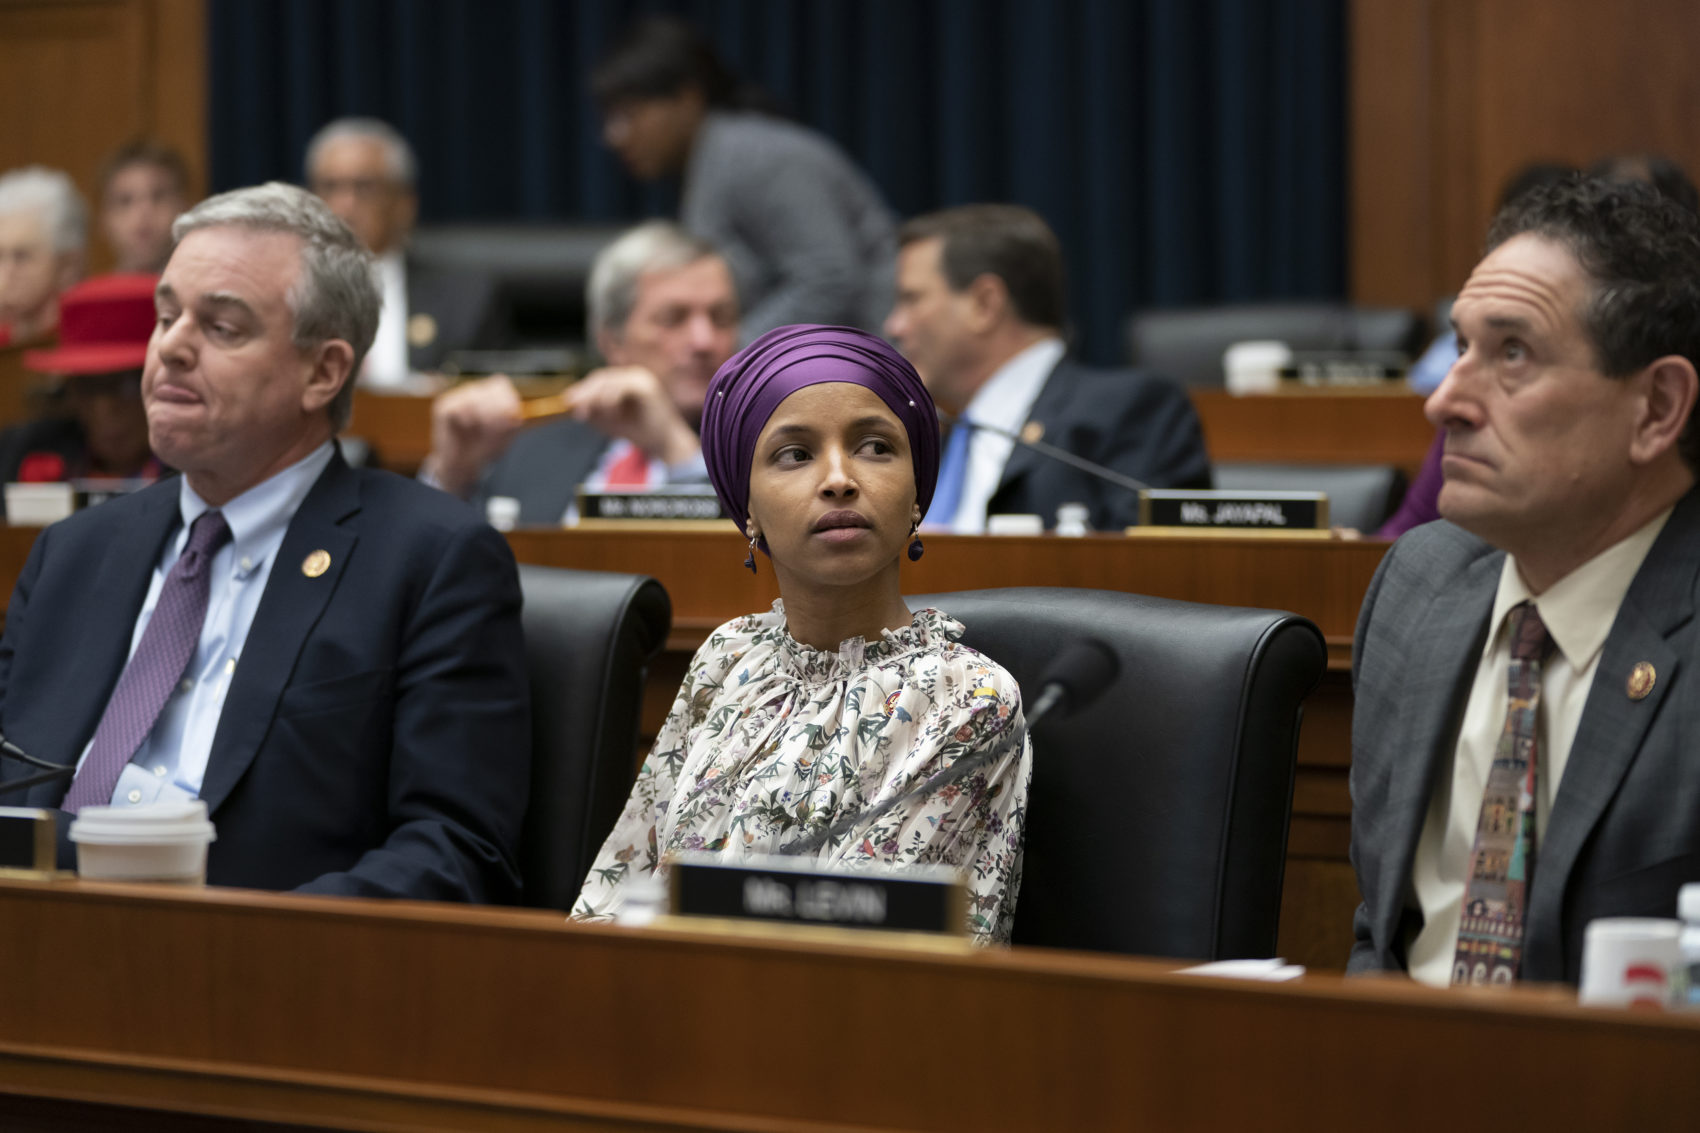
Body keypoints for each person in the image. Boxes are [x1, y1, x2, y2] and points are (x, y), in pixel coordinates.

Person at [0, 182, 531, 902]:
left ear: (324, 371)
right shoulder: (73, 551)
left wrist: (262, 950)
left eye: (221, 327)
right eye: (166, 316)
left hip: (253, 974)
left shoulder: (432, 561)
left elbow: (455, 849)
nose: (171, 347)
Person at [573, 324, 1032, 943]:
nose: (839, 478)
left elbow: (860, 955)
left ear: (917, 493)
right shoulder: (727, 659)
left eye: (875, 447)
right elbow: (618, 891)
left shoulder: (967, 699)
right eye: (795, 454)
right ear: (748, 509)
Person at [1349, 177, 1700, 986]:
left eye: (1512, 353)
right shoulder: (1415, 586)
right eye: (1461, 345)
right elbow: (1382, 936)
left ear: (1657, 406)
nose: (1445, 401)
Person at [885, 204, 1210, 533]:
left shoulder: (1133, 412)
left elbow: (1151, 570)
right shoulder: (929, 439)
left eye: (911, 299)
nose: (894, 325)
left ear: (984, 304)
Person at [592, 17, 896, 337]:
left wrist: (728, 358)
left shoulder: (761, 158)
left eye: (628, 115)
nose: (615, 136)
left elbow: (830, 277)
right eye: (609, 118)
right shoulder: (712, 160)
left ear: (687, 97)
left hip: (880, 364)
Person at [423, 221, 738, 525]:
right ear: (611, 341)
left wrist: (675, 449)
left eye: (721, 318)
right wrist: (452, 476)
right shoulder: (530, 451)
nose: (704, 341)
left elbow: (749, 562)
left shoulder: (759, 450)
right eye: (673, 318)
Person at [305, 117, 499, 385]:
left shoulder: (466, 300)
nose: (344, 204)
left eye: (364, 187)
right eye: (330, 187)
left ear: (404, 204)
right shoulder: (285, 292)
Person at [0, 274, 164, 511]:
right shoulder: (21, 451)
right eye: (89, 387)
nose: (105, 409)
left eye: (126, 386)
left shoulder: (200, 471)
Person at [0, 166, 86, 349]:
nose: (5, 272)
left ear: (67, 265)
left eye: (21, 256)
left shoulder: (86, 344)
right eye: (0, 256)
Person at [97, 139, 191, 275]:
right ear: (104, 220)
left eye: (158, 196)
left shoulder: (210, 291)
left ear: (185, 208)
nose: (144, 212)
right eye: (125, 201)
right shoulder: (91, 295)